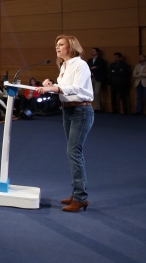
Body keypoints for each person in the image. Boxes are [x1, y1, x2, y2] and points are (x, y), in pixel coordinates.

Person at [37, 35, 94, 212]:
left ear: (71, 47)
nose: (57, 47)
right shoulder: (64, 66)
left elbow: (76, 89)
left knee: (74, 152)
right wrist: (51, 84)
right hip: (67, 110)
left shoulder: (80, 64)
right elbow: (62, 89)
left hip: (81, 111)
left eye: (61, 45)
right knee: (73, 153)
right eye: (57, 45)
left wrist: (55, 87)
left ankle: (80, 197)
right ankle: (77, 192)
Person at [87, 48, 107, 112]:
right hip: (90, 78)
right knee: (90, 93)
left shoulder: (100, 60)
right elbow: (87, 68)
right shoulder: (89, 60)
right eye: (92, 51)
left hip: (98, 78)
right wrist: (94, 67)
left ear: (97, 52)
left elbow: (100, 68)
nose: (92, 52)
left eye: (94, 51)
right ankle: (91, 107)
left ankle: (97, 108)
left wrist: (93, 68)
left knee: (96, 93)